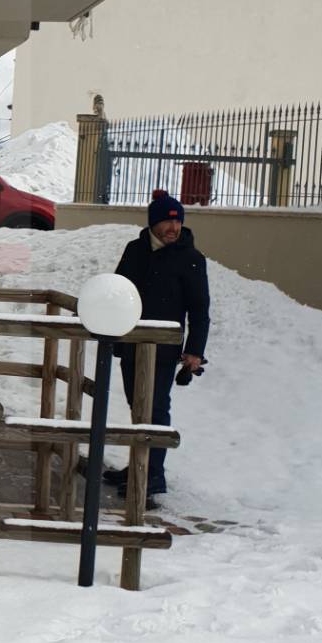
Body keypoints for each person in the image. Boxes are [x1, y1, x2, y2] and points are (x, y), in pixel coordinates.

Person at [103, 189, 209, 506]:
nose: (173, 229)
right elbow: (118, 289)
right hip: (130, 342)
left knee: (156, 410)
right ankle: (138, 465)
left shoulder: (191, 259)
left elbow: (200, 309)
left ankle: (153, 475)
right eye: (166, 222)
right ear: (153, 223)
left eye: (177, 223)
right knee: (138, 407)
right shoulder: (135, 250)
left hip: (163, 349)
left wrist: (194, 350)